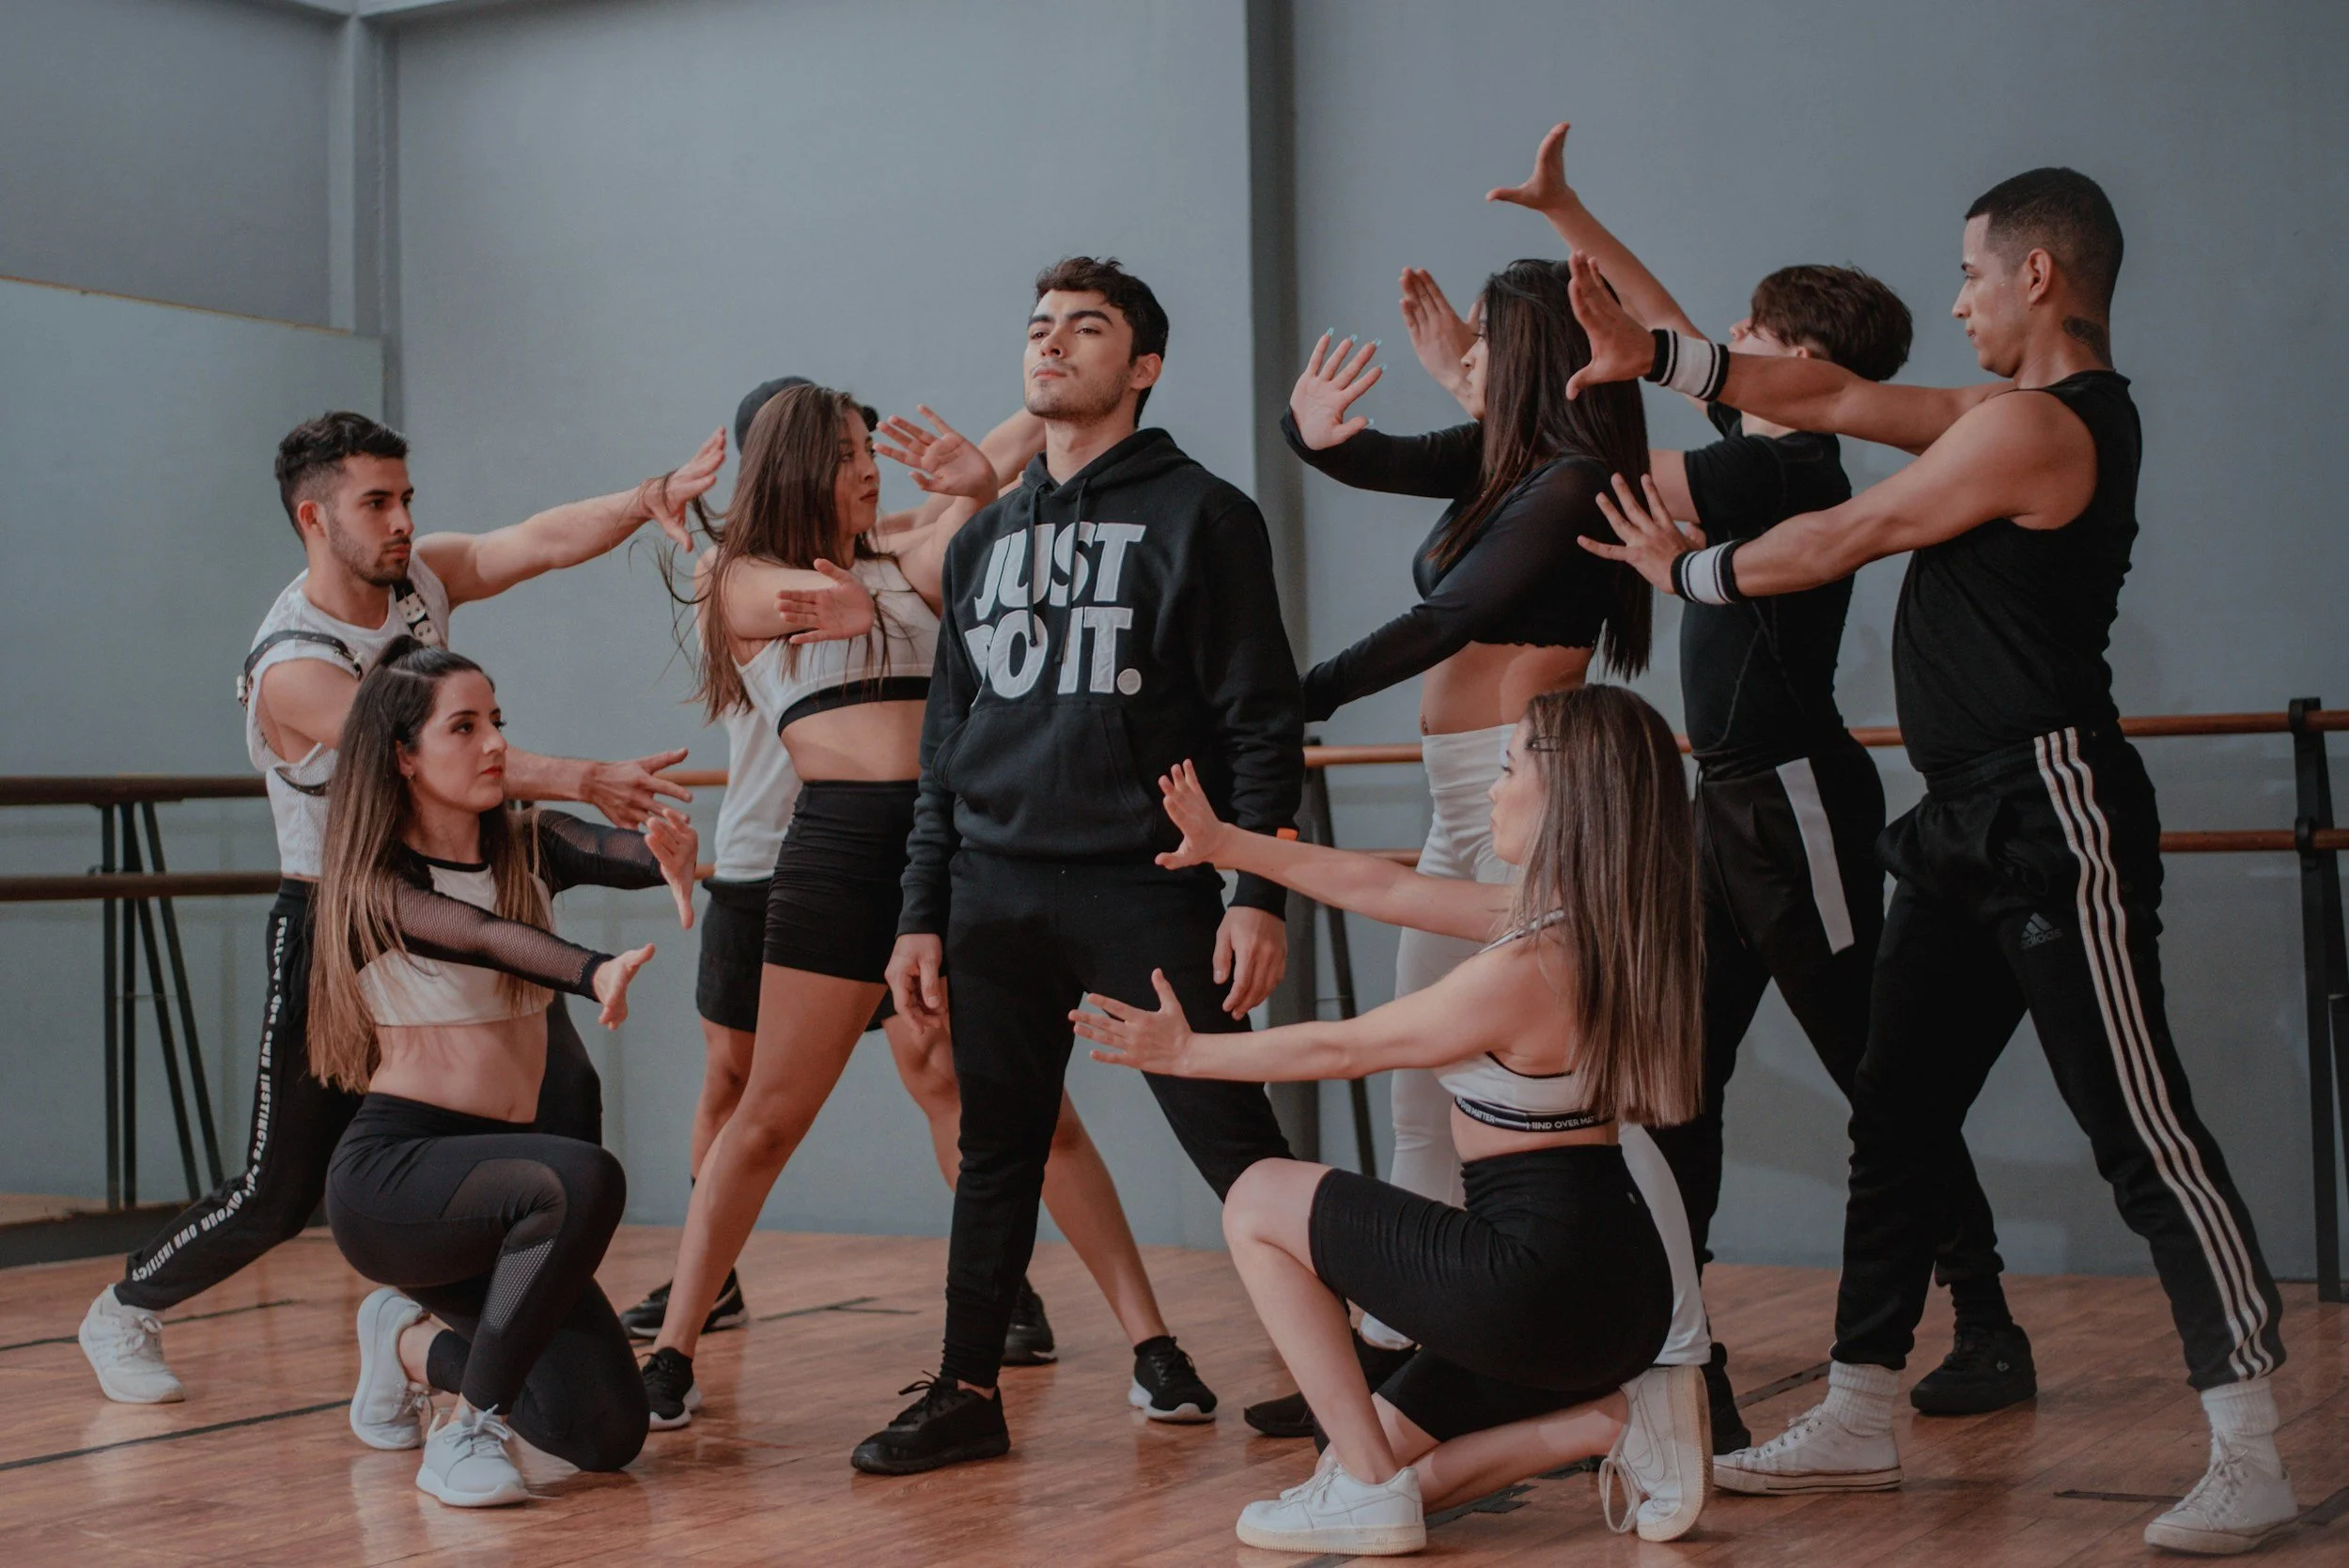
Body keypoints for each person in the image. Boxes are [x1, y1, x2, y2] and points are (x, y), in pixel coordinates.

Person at [1573, 168, 2295, 1555]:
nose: (1954, 296)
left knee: (2141, 1130)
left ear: (2037, 275)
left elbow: (1863, 524)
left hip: (2050, 809)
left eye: (1972, 272)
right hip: (1957, 815)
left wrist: (1690, 574)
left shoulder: (2055, 425)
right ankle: (1857, 1406)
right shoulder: (1996, 413)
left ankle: (2249, 1440)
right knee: (1894, 1115)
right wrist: (1659, 356)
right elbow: (1831, 399)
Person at [1453, 119, 2030, 1441]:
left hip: (1796, 805)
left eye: (1754, 335)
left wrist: (1496, 378)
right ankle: (1675, 1341)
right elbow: (1659, 325)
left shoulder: (1776, 465)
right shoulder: (1761, 436)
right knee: (1674, 1076)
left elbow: (1595, 470)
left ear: (1806, 364)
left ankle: (1986, 1316)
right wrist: (1570, 212)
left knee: (1880, 1077)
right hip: (1722, 806)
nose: (1725, 340)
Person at [79, 411, 722, 1406]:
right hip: (350, 923)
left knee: (565, 1105)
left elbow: (536, 541)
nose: (401, 521)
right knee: (280, 1186)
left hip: (467, 889)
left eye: (406, 498)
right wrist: (581, 776)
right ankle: (124, 1306)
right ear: (312, 517)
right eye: (375, 503)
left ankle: (511, 1323)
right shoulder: (292, 661)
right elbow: (412, 746)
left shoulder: (415, 582)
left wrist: (644, 501)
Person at [634, 378, 1186, 1431]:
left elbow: (963, 533)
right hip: (837, 856)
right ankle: (672, 1353)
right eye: (849, 452)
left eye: (868, 451)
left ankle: (1155, 1346)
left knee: (1022, 1113)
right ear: (801, 464)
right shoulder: (737, 576)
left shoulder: (908, 559)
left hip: (953, 850)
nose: (868, 466)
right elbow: (746, 597)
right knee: (766, 1119)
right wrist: (821, 599)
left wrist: (983, 484)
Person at [1265, 253, 1710, 1532]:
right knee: (1429, 1106)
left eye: (1487, 346)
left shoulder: (1567, 483)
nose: (1466, 359)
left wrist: (1294, 696)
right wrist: (1312, 431)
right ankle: (1435, 1380)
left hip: (1517, 815)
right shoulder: (1514, 466)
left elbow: (1446, 615)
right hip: (1474, 806)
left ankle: (1641, 1368)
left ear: (1526, 360)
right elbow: (1367, 460)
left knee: (1535, 1111)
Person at [850, 256, 1304, 1475]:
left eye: (1085, 328)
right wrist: (919, 913)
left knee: (1235, 1143)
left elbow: (1263, 716)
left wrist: (1258, 888)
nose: (1051, 344)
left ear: (1142, 365)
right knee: (1000, 1145)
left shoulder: (1202, 514)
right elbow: (947, 742)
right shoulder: (988, 535)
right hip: (994, 887)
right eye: (1039, 326)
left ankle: (1349, 1366)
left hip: (1141, 880)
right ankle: (964, 1388)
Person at [1073, 685, 1705, 1555]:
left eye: (1508, 766)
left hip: (1532, 1286)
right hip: (1613, 1291)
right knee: (1365, 1454)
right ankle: (1609, 1420)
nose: (1490, 788)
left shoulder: (1529, 964)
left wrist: (1188, 1055)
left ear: (1570, 790)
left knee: (1256, 1198)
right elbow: (1379, 885)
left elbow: (1344, 1049)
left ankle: (1368, 1491)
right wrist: (1229, 844)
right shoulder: (1601, 927)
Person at [312, 639, 698, 1505]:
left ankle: (407, 1346)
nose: (494, 744)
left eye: (497, 721)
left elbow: (620, 851)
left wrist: (669, 851)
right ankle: (464, 1433)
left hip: (509, 1186)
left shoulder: (529, 841)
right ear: (404, 756)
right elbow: (483, 935)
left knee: (605, 1432)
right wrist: (593, 968)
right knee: (583, 1179)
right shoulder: (375, 885)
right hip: (399, 1181)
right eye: (464, 726)